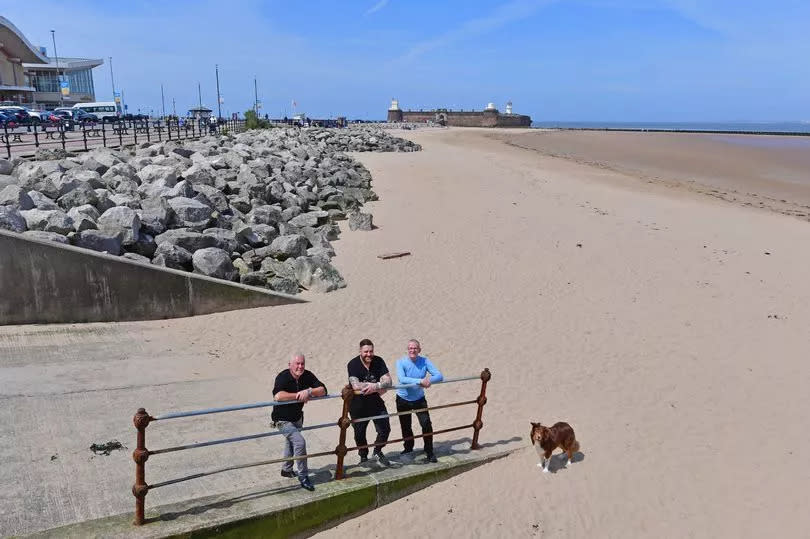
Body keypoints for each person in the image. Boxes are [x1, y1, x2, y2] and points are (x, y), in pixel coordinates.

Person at [271, 354, 327, 491]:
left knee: (291, 442)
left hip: (297, 417)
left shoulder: (307, 375)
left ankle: (286, 469)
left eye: (302, 364)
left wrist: (308, 391)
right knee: (299, 442)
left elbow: (323, 390)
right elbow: (278, 396)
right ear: (289, 364)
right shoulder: (283, 377)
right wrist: (298, 396)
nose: (300, 367)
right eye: (297, 364)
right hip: (281, 420)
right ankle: (303, 476)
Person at [395, 339, 443, 463]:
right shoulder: (400, 362)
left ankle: (429, 450)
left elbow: (439, 375)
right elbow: (402, 379)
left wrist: (428, 381)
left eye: (415, 348)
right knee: (406, 426)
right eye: (410, 348)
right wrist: (419, 381)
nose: (413, 350)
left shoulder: (425, 361)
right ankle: (408, 448)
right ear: (407, 350)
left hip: (419, 399)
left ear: (419, 350)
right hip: (402, 399)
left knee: (426, 423)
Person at [347, 338, 393, 466]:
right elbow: (355, 385)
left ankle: (377, 451)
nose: (369, 354)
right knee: (359, 433)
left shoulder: (378, 361)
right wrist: (376, 386)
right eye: (366, 352)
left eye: (371, 351)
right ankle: (363, 456)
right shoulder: (353, 364)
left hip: (375, 401)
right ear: (360, 351)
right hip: (358, 404)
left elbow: (389, 381)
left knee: (385, 428)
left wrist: (375, 386)